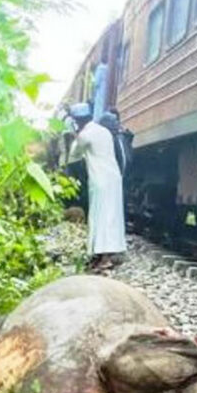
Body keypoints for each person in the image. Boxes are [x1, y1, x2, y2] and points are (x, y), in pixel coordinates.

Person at [66, 102, 127, 271]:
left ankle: (103, 258)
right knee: (110, 216)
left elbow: (74, 154)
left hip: (100, 180)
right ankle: (101, 255)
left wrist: (75, 135)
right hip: (113, 178)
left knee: (99, 217)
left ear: (78, 121)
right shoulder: (104, 131)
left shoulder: (85, 135)